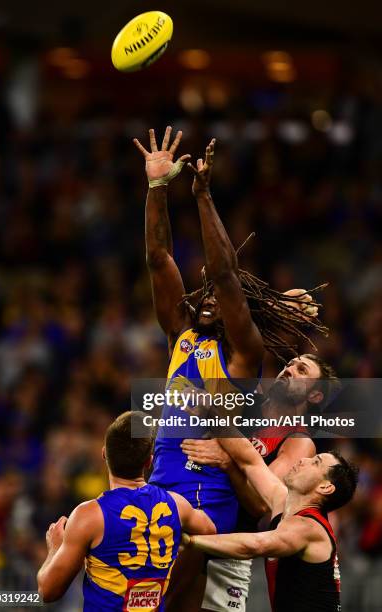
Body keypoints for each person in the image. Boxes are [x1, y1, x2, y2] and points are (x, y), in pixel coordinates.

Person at [133, 126, 326, 611]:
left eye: (218, 297)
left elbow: (225, 273)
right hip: (159, 483)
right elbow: (158, 259)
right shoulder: (181, 334)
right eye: (201, 292)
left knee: (171, 600)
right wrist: (157, 188)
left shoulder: (243, 354)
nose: (207, 296)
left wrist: (202, 196)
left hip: (207, 495)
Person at [181, 353, 340, 612]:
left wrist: (228, 461)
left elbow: (259, 504)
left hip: (228, 550)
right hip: (188, 520)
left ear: (315, 396)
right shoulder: (243, 404)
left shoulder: (297, 442)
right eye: (290, 364)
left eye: (302, 370)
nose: (289, 370)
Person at [37, 411, 216, 610]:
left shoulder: (89, 516)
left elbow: (48, 591)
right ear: (149, 461)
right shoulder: (177, 506)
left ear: (104, 453)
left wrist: (54, 548)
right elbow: (211, 531)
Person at [183, 436, 358, 612]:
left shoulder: (309, 528)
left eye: (315, 462)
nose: (303, 459)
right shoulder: (284, 504)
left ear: (325, 487)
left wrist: (190, 540)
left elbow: (255, 546)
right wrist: (213, 414)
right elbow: (251, 462)